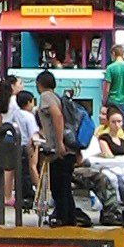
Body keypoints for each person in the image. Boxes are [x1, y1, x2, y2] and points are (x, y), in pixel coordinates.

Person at [37, 69, 79, 225]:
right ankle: (69, 219)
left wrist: (59, 142)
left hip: (58, 149)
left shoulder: (46, 97)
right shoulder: (56, 97)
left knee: (59, 187)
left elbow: (57, 116)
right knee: (65, 187)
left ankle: (63, 218)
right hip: (67, 149)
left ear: (39, 84)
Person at [100, 44, 124, 141]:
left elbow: (107, 88)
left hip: (113, 102)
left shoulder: (110, 68)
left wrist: (104, 101)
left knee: (112, 128)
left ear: (113, 53)